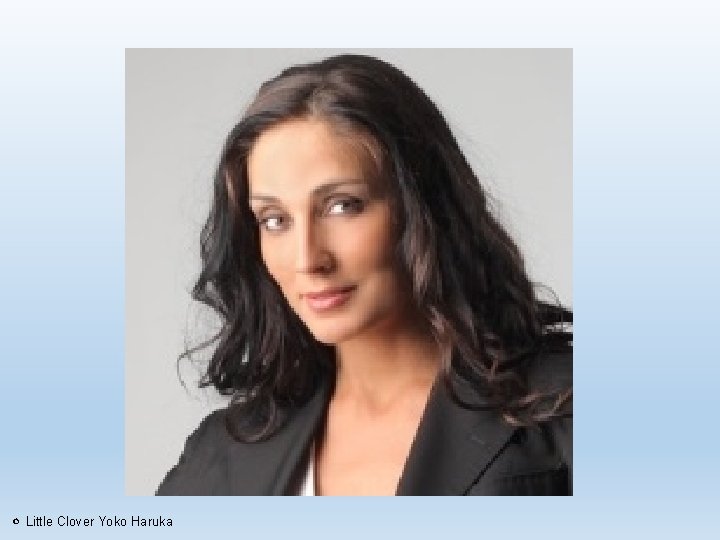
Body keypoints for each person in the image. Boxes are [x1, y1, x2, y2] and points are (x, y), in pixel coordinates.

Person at [156, 53, 572, 496]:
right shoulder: (225, 452)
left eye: (343, 206)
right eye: (275, 219)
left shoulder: (565, 412)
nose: (307, 259)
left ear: (422, 207)